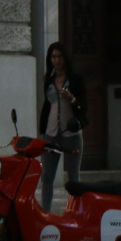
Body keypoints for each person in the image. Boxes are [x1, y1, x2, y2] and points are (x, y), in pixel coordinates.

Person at [38, 42, 87, 210]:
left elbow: (84, 105)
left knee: (73, 178)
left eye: (59, 56)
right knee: (47, 177)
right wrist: (42, 132)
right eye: (53, 56)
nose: (56, 60)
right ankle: (45, 211)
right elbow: (47, 105)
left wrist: (71, 98)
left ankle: (76, 211)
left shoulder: (75, 79)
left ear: (65, 58)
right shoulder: (49, 80)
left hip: (71, 133)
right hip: (51, 133)